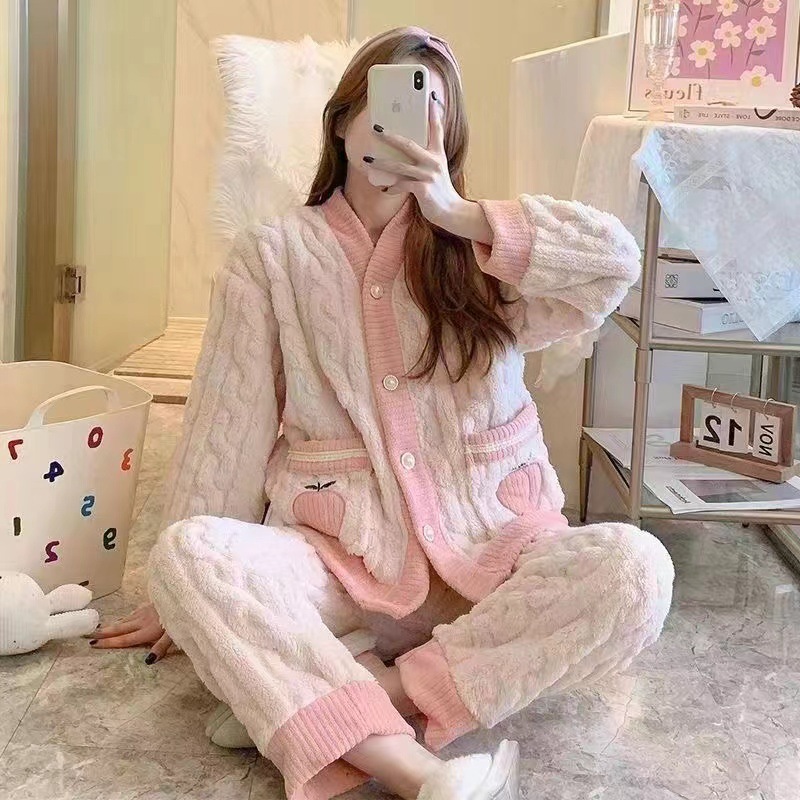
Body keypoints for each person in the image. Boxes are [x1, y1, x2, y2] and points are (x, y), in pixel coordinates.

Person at [92, 27, 674, 800]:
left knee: (636, 571)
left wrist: (461, 214)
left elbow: (614, 264)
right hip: (342, 568)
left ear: (448, 136)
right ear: (341, 122)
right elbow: (227, 425)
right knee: (186, 555)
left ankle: (356, 699)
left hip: (493, 566)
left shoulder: (480, 253)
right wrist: (180, 604)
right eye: (390, 106)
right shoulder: (273, 256)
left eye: (430, 113)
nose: (406, 128)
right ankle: (414, 769)